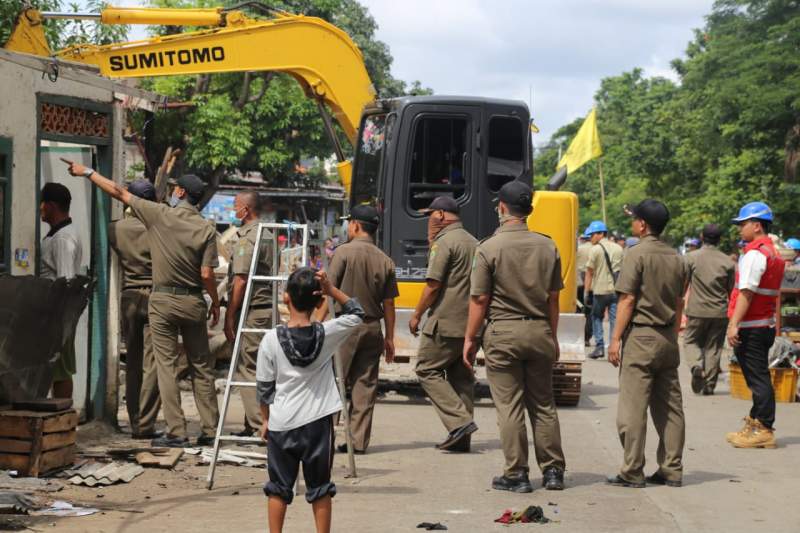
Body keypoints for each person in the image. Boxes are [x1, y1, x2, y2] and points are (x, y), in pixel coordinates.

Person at [61, 159, 221, 448]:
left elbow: (119, 193)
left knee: (165, 367)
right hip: (193, 300)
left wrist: (88, 172)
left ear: (181, 193)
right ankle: (210, 430)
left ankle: (177, 431)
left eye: (175, 189)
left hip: (161, 300)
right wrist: (217, 301)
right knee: (201, 366)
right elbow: (208, 273)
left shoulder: (159, 215)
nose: (172, 192)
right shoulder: (207, 229)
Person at [464, 181, 566, 493]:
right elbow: (553, 299)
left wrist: (470, 339)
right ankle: (553, 473)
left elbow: (479, 300)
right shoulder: (548, 245)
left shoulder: (488, 248)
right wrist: (552, 336)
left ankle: (517, 474)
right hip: (539, 331)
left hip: (504, 333)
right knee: (543, 404)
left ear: (503, 208)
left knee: (509, 406)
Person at [257, 268, 364, 533]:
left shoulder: (270, 340)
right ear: (319, 302)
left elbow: (264, 387)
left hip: (282, 422)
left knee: (278, 488)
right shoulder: (327, 333)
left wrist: (265, 420)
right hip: (318, 424)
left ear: (286, 298)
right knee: (320, 487)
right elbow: (357, 313)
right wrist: (331, 291)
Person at [607, 199, 686, 488]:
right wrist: (673, 335)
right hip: (667, 336)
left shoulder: (636, 253)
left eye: (634, 219)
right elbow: (679, 302)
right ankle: (672, 469)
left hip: (641, 336)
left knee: (632, 407)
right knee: (670, 408)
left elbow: (627, 299)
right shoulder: (677, 257)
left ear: (642, 224)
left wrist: (615, 339)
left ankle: (632, 470)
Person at [409, 196, 478, 452]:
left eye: (430, 215)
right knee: (461, 377)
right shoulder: (474, 242)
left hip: (445, 322)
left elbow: (433, 284)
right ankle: (461, 439)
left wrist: (417, 314)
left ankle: (460, 422)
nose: (428, 219)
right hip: (470, 323)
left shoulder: (444, 242)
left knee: (427, 369)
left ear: (439, 215)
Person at [328, 204, 398, 454]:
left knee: (335, 382)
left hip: (344, 327)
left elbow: (328, 289)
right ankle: (357, 443)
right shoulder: (386, 260)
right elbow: (389, 303)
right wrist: (389, 338)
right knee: (365, 386)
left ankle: (325, 437)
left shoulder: (343, 253)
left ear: (355, 225)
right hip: (372, 327)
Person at [725, 202, 785, 449]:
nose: (740, 229)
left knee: (758, 378)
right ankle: (756, 423)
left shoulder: (754, 254)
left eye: (743, 224)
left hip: (752, 325)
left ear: (757, 225)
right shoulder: (773, 253)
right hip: (764, 324)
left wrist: (733, 324)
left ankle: (763, 427)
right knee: (757, 376)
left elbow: (746, 293)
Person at [108, 179, 162, 438]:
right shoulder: (160, 226)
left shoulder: (115, 229)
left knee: (132, 362)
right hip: (156, 295)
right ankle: (146, 423)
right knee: (153, 364)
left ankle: (134, 420)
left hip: (129, 295)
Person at [224, 191, 273, 438]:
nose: (234, 211)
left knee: (247, 368)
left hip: (252, 309)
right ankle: (251, 423)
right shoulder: (268, 233)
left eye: (235, 206)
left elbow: (240, 281)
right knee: (262, 367)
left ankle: (258, 427)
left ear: (246, 209)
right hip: (266, 309)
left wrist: (229, 314)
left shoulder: (247, 238)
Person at [40, 182, 83, 399]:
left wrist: (56, 321)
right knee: (54, 369)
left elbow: (64, 282)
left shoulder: (63, 238)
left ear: (50, 206)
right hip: (55, 313)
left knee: (61, 370)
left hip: (58, 315)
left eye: (42, 203)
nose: (40, 209)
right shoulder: (58, 235)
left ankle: (62, 418)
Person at [683, 224, 735, 396]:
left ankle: (696, 366)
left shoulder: (691, 258)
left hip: (696, 310)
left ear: (702, 236)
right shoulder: (728, 261)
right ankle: (709, 385)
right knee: (713, 347)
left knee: (691, 341)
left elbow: (683, 285)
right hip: (719, 311)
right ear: (719, 239)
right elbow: (731, 289)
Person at [584, 220, 623, 360]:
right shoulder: (619, 248)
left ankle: (599, 347)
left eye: (592, 235)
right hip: (615, 290)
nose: (590, 238)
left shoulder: (594, 250)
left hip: (600, 291)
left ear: (600, 234)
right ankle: (614, 346)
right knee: (614, 320)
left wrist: (586, 292)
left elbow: (589, 273)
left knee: (596, 317)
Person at [575, 234, 593, 346]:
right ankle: (587, 337)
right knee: (589, 311)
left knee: (578, 309)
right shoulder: (595, 248)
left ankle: (578, 335)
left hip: (579, 281)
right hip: (591, 281)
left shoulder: (579, 249)